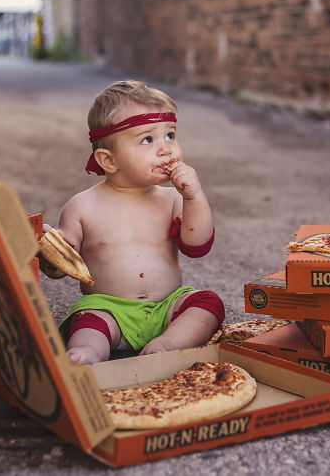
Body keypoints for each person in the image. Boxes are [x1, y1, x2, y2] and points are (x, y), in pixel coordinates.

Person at [42, 80, 224, 365]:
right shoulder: (82, 206)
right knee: (87, 321)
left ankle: (166, 344)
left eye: (170, 135)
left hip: (166, 306)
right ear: (109, 160)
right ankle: (88, 354)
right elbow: (60, 269)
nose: (166, 149)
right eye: (148, 140)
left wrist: (195, 197)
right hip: (109, 309)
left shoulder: (172, 199)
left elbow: (197, 246)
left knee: (207, 304)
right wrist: (50, 251)